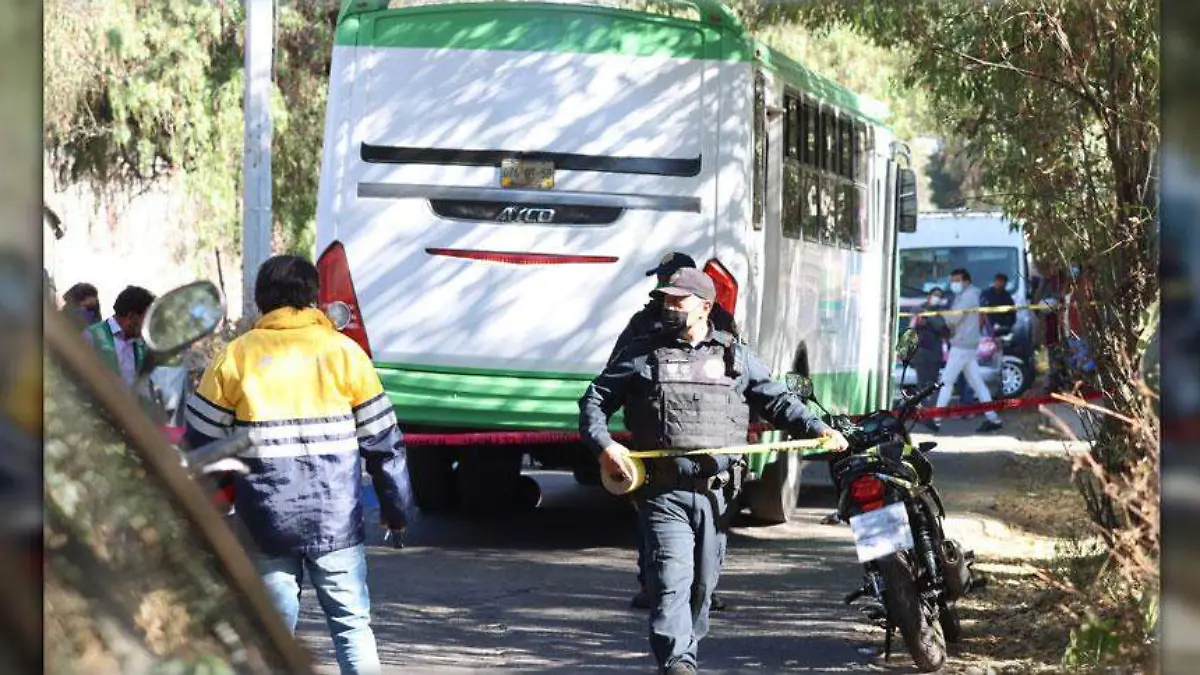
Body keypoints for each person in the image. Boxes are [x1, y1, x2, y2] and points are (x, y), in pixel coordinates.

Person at [579, 267, 848, 675]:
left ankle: (685, 651)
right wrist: (606, 446)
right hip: (662, 494)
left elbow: (777, 403)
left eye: (677, 301)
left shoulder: (734, 356)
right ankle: (678, 663)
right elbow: (595, 401)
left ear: (705, 307)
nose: (668, 307)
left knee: (701, 590)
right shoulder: (642, 353)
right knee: (670, 583)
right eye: (666, 300)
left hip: (717, 495)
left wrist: (819, 429)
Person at [183, 255, 415, 675]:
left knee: (271, 637)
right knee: (352, 629)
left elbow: (200, 443)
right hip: (337, 522)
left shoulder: (235, 357)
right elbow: (384, 443)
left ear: (261, 300)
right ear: (313, 297)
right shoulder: (346, 354)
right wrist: (396, 511)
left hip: (265, 523)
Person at [615, 252, 737, 612]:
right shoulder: (643, 324)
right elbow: (617, 368)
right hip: (659, 437)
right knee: (652, 514)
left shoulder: (722, 325)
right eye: (662, 284)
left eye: (670, 284)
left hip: (712, 445)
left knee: (713, 520)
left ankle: (706, 589)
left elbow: (742, 375)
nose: (663, 292)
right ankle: (651, 582)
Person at [929, 269, 1003, 433]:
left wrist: (939, 311)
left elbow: (954, 318)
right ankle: (993, 418)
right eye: (952, 280)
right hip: (968, 343)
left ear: (966, 281)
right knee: (977, 383)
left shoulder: (968, 296)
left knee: (946, 381)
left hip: (962, 344)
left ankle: (936, 419)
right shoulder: (971, 294)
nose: (954, 283)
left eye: (957, 280)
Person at [81, 285, 155, 386]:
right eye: (146, 318)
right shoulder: (92, 336)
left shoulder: (143, 345)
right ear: (132, 317)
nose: (149, 324)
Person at [910, 288, 949, 433]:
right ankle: (922, 415)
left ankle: (928, 415)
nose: (936, 298)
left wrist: (930, 318)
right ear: (929, 296)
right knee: (922, 386)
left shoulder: (940, 312)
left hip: (934, 354)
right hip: (921, 353)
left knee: (932, 387)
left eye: (939, 296)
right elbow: (912, 326)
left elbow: (942, 328)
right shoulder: (919, 309)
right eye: (935, 295)